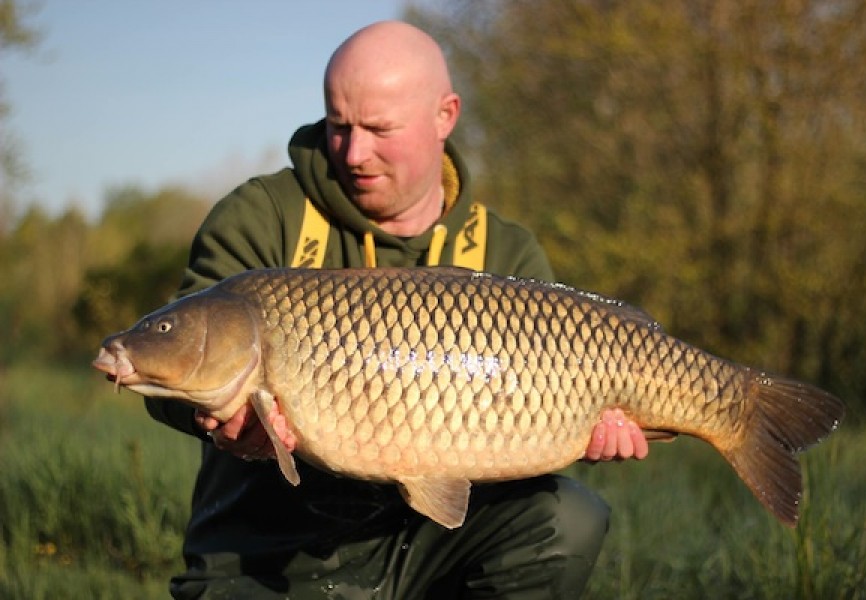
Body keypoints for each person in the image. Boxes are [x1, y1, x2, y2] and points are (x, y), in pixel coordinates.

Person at [146, 20, 649, 599]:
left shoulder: (506, 253)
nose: (354, 152)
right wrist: (216, 420)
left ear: (446, 115)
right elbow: (180, 350)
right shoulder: (265, 216)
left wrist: (593, 433)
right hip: (266, 554)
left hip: (433, 543)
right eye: (338, 126)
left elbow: (536, 428)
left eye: (379, 128)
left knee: (568, 518)